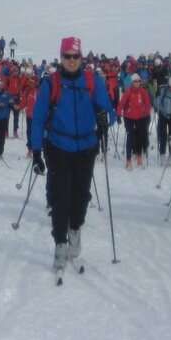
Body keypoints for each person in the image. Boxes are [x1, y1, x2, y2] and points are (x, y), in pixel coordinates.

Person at [30, 37, 116, 273]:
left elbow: (110, 113)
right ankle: (60, 243)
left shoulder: (92, 81)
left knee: (81, 196)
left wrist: (104, 118)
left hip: (86, 147)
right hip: (58, 146)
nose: (71, 60)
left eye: (75, 56)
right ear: (61, 57)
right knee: (61, 197)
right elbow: (38, 119)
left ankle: (75, 231)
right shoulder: (51, 83)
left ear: (81, 57)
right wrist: (36, 151)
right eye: (67, 56)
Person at [118, 73, 152, 169]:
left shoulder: (143, 92)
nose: (137, 83)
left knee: (140, 136)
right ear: (132, 83)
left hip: (140, 117)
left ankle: (139, 155)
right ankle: (128, 159)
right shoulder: (128, 91)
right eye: (135, 81)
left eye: (138, 81)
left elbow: (148, 104)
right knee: (130, 136)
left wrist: (146, 113)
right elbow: (121, 103)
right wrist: (118, 113)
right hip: (129, 117)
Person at [154, 76, 171, 163]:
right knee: (163, 135)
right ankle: (162, 154)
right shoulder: (163, 90)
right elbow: (157, 101)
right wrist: (159, 108)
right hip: (163, 116)